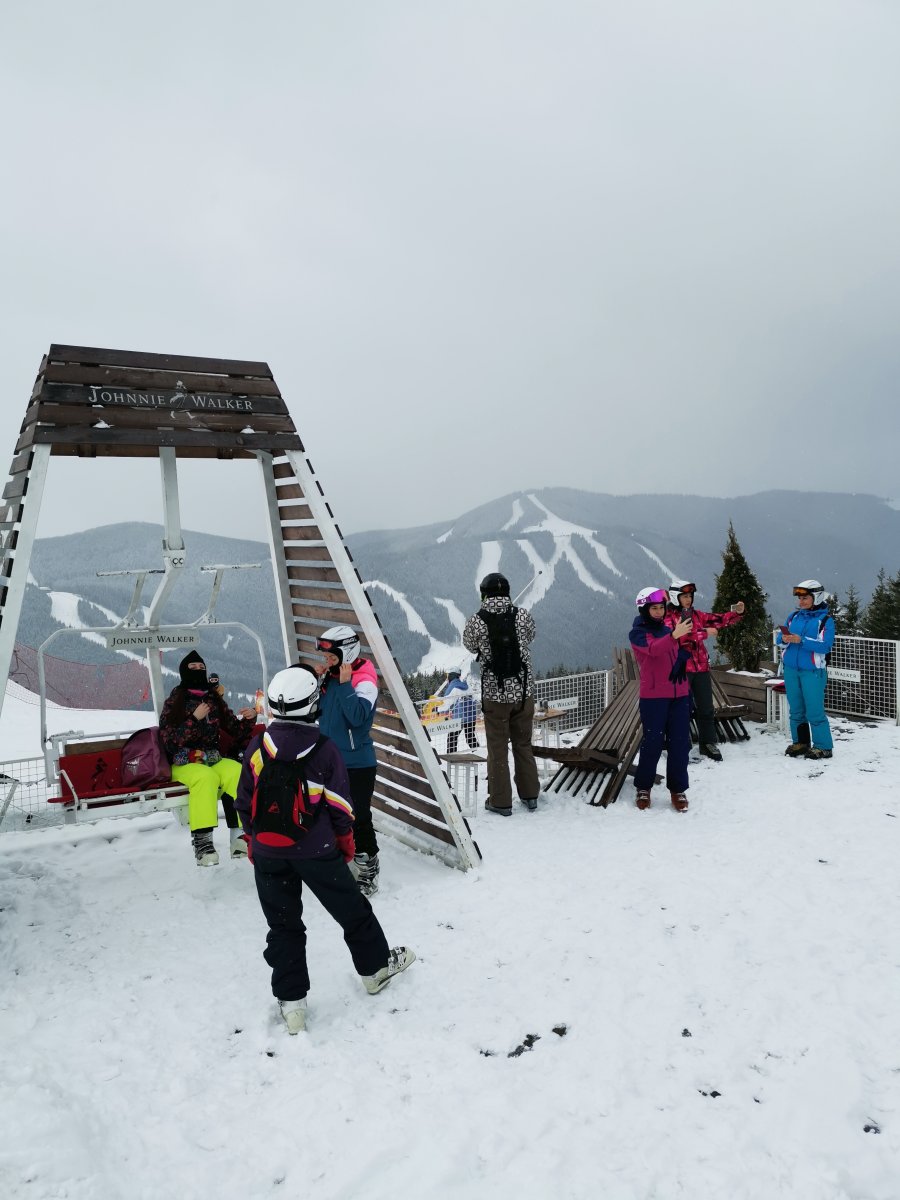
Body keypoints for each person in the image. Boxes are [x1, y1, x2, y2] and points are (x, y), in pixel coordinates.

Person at [235, 665, 415, 1034]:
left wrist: (254, 841)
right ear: (312, 704)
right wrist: (345, 845)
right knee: (352, 911)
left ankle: (292, 1005)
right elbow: (340, 808)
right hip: (316, 851)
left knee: (283, 926)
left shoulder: (258, 746)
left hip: (269, 852)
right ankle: (376, 970)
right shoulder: (323, 750)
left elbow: (244, 801)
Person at [159, 651, 257, 865]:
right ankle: (203, 842)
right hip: (182, 761)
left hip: (212, 758)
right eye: (192, 668)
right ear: (184, 671)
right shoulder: (176, 700)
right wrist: (194, 719)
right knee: (205, 778)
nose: (198, 671)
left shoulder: (213, 700)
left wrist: (249, 719)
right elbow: (169, 740)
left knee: (236, 772)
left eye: (200, 667)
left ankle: (240, 835)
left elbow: (234, 729)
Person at [311, 624, 382, 896]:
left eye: (331, 657)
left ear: (346, 654)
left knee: (358, 816)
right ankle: (340, 861)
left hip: (357, 763)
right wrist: (318, 680)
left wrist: (342, 685)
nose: (326, 661)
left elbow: (359, 719)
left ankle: (368, 868)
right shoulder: (333, 675)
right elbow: (320, 713)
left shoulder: (364, 679)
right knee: (329, 815)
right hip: (329, 759)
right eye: (325, 657)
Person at [462, 572, 540, 815]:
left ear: (484, 594)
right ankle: (530, 795)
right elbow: (530, 637)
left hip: (495, 694)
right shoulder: (522, 615)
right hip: (523, 691)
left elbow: (469, 645)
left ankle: (500, 801)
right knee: (523, 744)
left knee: (497, 748)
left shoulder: (477, 620)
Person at [628, 587, 694, 812]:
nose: (658, 612)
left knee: (679, 743)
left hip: (679, 693)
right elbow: (654, 650)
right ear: (644, 609)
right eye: (654, 608)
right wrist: (675, 635)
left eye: (661, 608)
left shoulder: (669, 627)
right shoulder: (637, 633)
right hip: (654, 697)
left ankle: (678, 789)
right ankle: (643, 786)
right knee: (652, 743)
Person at [664, 581, 745, 762]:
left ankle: (708, 743)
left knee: (706, 708)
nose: (688, 599)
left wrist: (737, 613)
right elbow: (680, 637)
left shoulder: (697, 615)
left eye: (690, 596)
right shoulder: (669, 618)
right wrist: (705, 633)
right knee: (680, 710)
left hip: (701, 668)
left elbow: (718, 619)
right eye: (684, 596)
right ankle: (679, 745)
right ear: (675, 598)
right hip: (681, 670)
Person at [775, 579, 835, 761]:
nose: (801, 602)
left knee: (814, 710)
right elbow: (779, 639)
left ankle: (823, 746)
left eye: (805, 598)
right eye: (799, 598)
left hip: (812, 672)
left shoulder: (825, 620)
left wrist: (801, 640)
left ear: (816, 598)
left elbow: (825, 646)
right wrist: (784, 638)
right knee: (797, 709)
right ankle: (801, 742)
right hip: (792, 669)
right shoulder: (794, 617)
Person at [442, 671, 479, 754]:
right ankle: (479, 753)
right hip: (471, 717)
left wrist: (437, 710)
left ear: (451, 676)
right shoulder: (467, 686)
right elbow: (475, 699)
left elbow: (447, 703)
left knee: (452, 738)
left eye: (448, 676)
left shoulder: (453, 687)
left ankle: (451, 756)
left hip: (459, 718)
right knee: (470, 737)